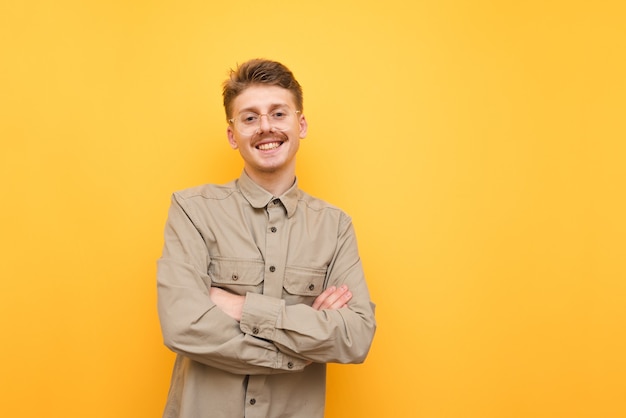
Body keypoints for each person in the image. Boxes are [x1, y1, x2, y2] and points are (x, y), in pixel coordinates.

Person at [157, 58, 376, 418]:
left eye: (278, 114)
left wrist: (241, 307)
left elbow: (356, 336)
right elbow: (182, 324)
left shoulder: (335, 226)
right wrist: (301, 345)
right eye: (249, 117)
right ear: (233, 135)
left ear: (300, 124)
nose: (265, 127)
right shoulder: (192, 211)